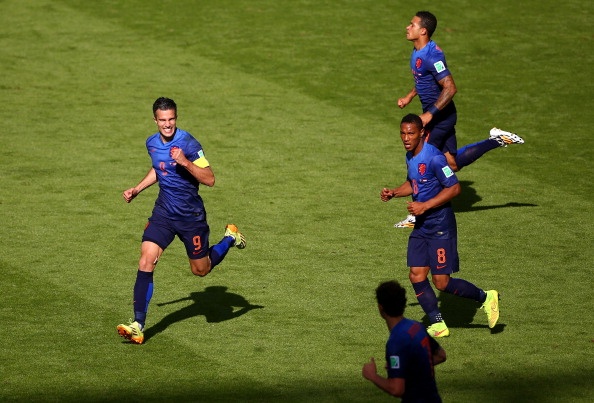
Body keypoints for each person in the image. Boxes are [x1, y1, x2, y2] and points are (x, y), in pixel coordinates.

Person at [116, 97, 246, 345]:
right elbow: (159, 168)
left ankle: (229, 238)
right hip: (164, 213)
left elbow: (210, 179)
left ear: (176, 118)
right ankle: (138, 325)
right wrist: (137, 189)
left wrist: (185, 162)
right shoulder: (151, 143)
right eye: (162, 120)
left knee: (201, 270)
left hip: (190, 217)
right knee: (146, 260)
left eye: (171, 119)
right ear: (155, 120)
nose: (167, 124)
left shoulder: (188, 143)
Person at [394, 10, 524, 228]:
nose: (408, 27)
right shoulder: (417, 51)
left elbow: (450, 87)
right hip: (437, 114)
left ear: (423, 31)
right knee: (452, 164)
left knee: (421, 158)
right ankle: (497, 139)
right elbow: (423, 78)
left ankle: (417, 214)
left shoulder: (432, 55)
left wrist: (429, 114)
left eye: (412, 25)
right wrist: (410, 96)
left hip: (440, 117)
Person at [380, 114, 499, 337]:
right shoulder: (410, 155)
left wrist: (424, 206)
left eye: (411, 133)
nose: (406, 138)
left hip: (440, 226)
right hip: (422, 226)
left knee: (441, 283)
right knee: (416, 275)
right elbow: (413, 182)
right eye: (403, 133)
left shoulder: (435, 158)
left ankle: (486, 297)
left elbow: (454, 188)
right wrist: (394, 192)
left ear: (422, 133)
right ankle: (438, 324)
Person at [362, 280, 446, 401]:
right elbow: (440, 355)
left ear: (381, 308)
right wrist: (405, 367)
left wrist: (372, 376)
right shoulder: (416, 327)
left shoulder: (396, 342)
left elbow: (397, 389)